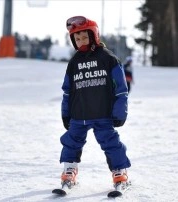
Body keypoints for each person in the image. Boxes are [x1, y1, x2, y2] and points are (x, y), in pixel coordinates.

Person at [59, 16, 131, 188]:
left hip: (102, 114)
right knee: (71, 142)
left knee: (111, 143)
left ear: (94, 35)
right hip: (79, 115)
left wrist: (120, 111)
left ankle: (120, 172)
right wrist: (66, 112)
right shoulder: (74, 62)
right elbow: (67, 91)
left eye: (84, 37)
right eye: (77, 38)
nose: (81, 41)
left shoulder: (108, 58)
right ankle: (69, 170)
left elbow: (121, 88)